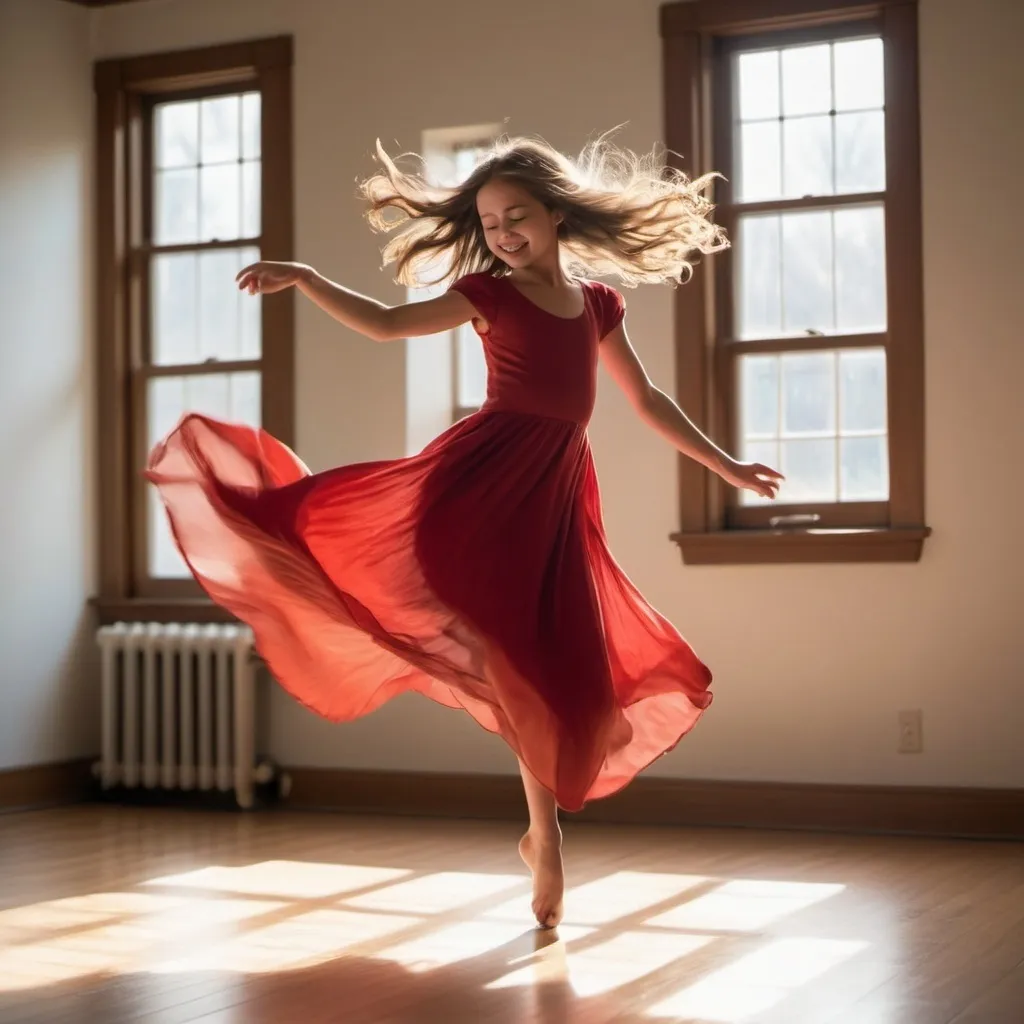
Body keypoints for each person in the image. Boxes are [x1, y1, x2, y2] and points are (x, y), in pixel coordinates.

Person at [147, 133, 782, 929]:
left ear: (556, 214)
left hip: (551, 502)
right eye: (489, 222)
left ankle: (540, 832)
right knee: (520, 666)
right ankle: (546, 837)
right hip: (475, 497)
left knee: (558, 672)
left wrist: (730, 468)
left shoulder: (596, 304)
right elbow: (385, 324)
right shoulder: (491, 296)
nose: (504, 232)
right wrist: (308, 279)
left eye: (517, 215)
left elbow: (647, 401)